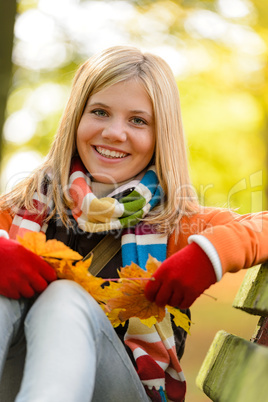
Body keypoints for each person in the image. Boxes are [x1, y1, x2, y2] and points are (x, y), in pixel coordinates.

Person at [0, 45, 267, 402]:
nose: (114, 132)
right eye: (100, 112)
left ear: (160, 136)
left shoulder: (175, 222)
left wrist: (208, 255)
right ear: (76, 119)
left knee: (64, 296)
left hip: (122, 388)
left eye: (137, 120)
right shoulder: (26, 210)